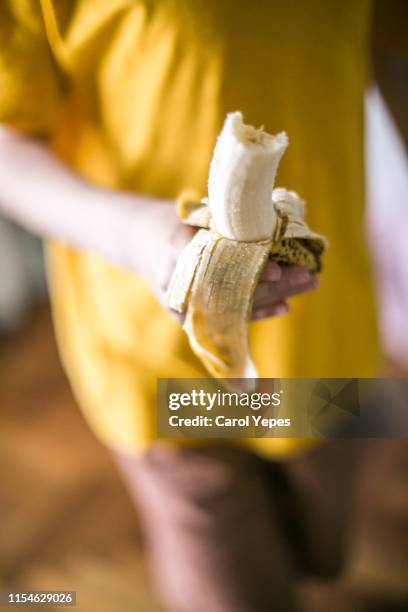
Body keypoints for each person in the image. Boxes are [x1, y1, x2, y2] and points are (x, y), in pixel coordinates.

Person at [0, 1, 407, 610]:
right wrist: (137, 236)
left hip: (324, 324)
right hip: (158, 356)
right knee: (230, 574)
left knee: (323, 539)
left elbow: (386, 49)